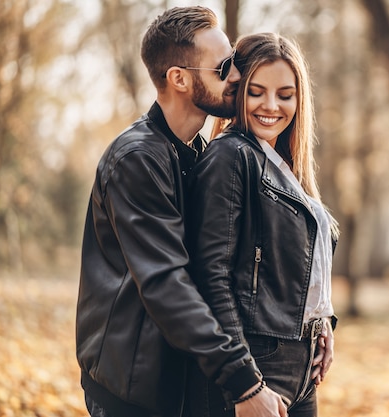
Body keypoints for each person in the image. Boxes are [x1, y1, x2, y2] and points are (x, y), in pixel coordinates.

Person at [75, 7, 287, 417]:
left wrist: (317, 323)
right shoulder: (137, 160)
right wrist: (244, 383)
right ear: (179, 78)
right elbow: (165, 283)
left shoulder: (198, 155)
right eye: (224, 67)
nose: (238, 78)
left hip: (182, 384)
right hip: (133, 391)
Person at [187, 32, 339, 417]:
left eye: (285, 95)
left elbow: (294, 270)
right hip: (257, 364)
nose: (271, 106)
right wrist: (245, 382)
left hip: (301, 369)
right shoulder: (231, 156)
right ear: (238, 91)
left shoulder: (283, 165)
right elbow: (212, 278)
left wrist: (322, 323)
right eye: (257, 91)